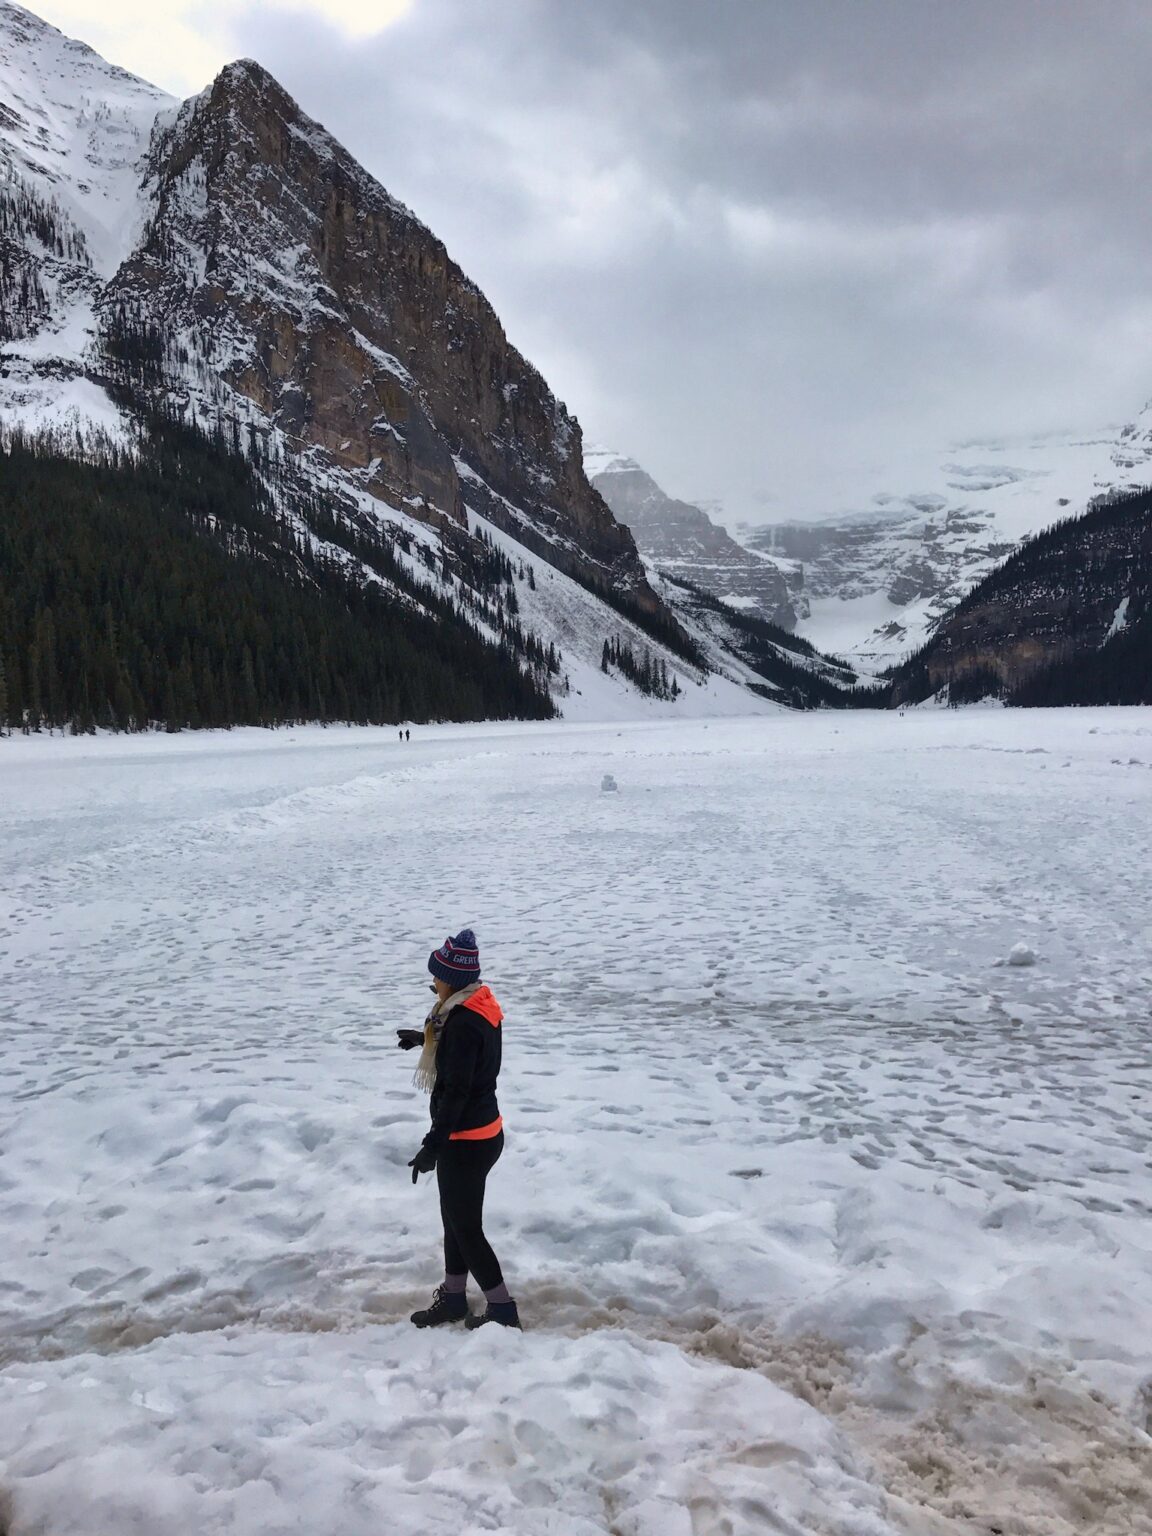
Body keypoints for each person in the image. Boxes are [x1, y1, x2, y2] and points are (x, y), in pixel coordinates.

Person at [398, 929, 520, 1330]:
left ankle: (502, 1310)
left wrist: (432, 1145)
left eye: (436, 976)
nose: (432, 983)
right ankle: (453, 1298)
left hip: (465, 1140)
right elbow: (466, 1057)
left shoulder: (463, 1023)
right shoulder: (476, 1008)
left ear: (451, 978)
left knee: (466, 1228)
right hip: (484, 1132)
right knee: (455, 1220)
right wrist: (425, 1040)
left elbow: (456, 1093)